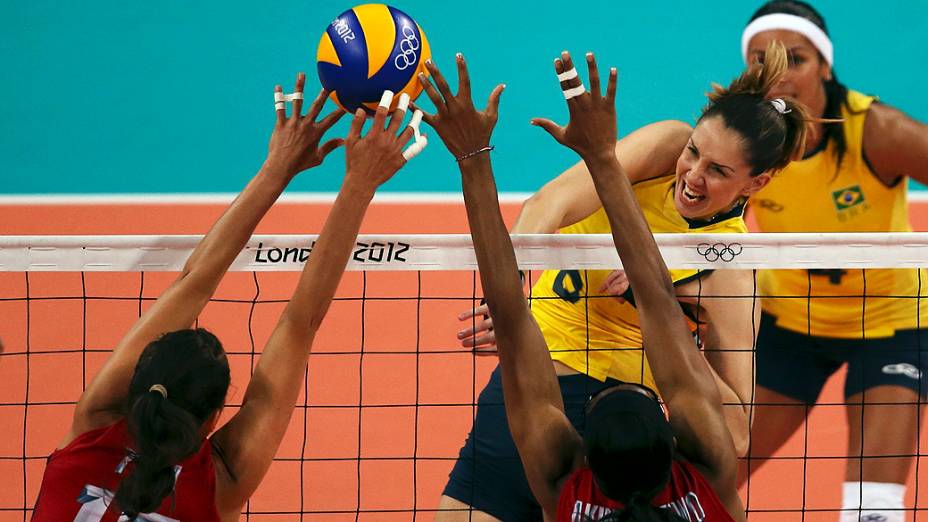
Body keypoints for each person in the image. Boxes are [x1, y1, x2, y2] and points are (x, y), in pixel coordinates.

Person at [436, 43, 811, 520]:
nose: (692, 176)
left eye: (718, 171)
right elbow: (546, 205)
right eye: (694, 152)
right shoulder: (664, 146)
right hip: (539, 378)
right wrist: (511, 295)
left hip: (621, 432)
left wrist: (671, 316)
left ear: (756, 184)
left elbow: (735, 432)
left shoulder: (729, 267)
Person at [31, 74, 421, 521]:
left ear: (137, 386)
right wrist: (355, 184)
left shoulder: (94, 429)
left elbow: (211, 288)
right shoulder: (219, 480)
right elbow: (298, 322)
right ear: (215, 419)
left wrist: (278, 169)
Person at [738, 2, 928, 519]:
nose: (776, 75)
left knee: (874, 507)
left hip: (891, 323)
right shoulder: (741, 140)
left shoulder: (876, 130)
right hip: (789, 327)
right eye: (760, 61)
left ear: (824, 65)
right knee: (704, 476)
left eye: (794, 59)